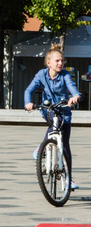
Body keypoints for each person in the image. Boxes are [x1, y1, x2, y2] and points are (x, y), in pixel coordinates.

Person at [24, 46, 81, 189]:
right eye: (57, 61)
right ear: (48, 63)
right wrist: (28, 103)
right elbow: (29, 90)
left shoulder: (65, 75)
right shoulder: (41, 75)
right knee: (54, 120)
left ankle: (69, 179)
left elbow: (72, 86)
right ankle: (41, 148)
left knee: (66, 146)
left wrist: (75, 96)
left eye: (62, 61)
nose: (60, 64)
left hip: (64, 111)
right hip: (48, 109)